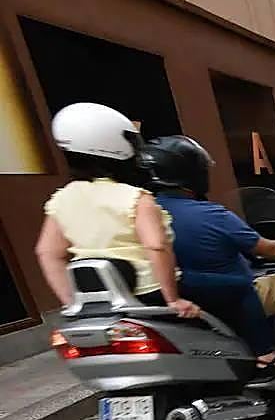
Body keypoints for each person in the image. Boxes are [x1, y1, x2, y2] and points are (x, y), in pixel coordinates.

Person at [140, 135, 275, 363]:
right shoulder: (213, 214)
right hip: (225, 300)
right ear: (195, 174)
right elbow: (269, 251)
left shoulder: (141, 212)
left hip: (174, 300)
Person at [34, 103, 201, 320]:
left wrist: (74, 304)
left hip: (101, 299)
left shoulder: (62, 197)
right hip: (149, 293)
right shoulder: (136, 197)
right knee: (233, 289)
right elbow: (156, 246)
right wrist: (173, 300)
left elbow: (47, 252)